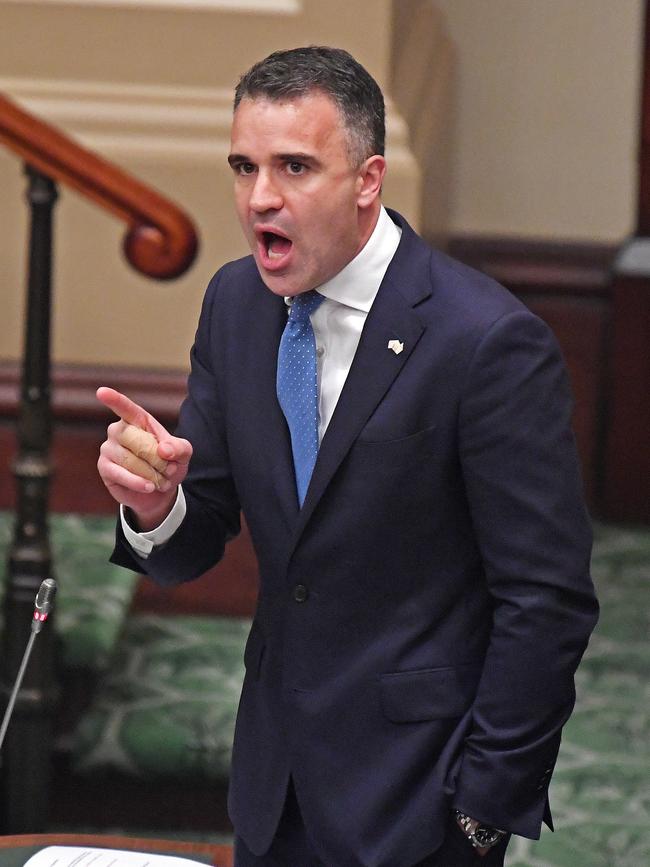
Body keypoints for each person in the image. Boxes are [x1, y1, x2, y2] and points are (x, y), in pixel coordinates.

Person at [97, 46, 599, 867]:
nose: (261, 197)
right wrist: (157, 506)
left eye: (294, 166)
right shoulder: (235, 302)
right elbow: (198, 537)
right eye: (244, 166)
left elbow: (546, 600)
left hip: (418, 798)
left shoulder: (485, 342)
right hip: (273, 780)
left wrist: (481, 813)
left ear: (368, 180)